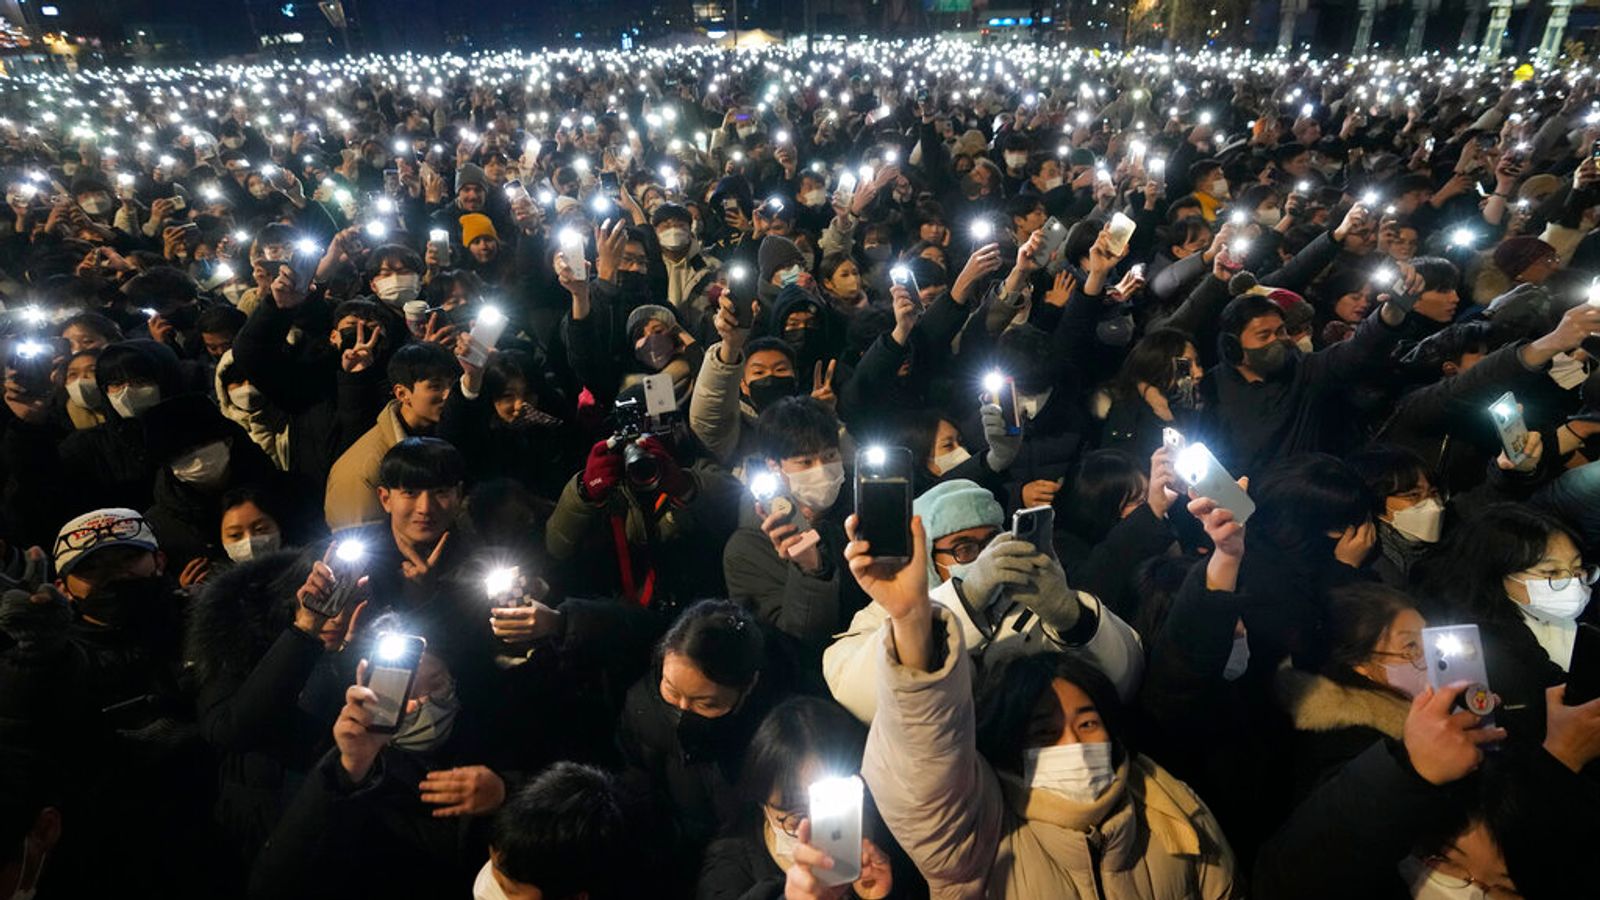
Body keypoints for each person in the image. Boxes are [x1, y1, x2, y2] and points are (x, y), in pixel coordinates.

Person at [843, 510, 1237, 897]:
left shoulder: (1169, 813)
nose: (1074, 746)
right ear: (927, 556)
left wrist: (1068, 614)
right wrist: (924, 617)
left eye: (993, 539)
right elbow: (910, 745)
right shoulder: (976, 841)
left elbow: (1125, 677)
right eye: (964, 548)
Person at [617, 599, 811, 890]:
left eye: (705, 702)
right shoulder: (642, 708)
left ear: (748, 686)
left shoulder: (781, 728)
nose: (683, 708)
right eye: (671, 690)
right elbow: (636, 784)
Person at [698, 695, 907, 900]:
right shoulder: (731, 864)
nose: (815, 826)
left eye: (830, 803)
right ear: (762, 801)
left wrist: (883, 895)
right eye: (796, 816)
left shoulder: (894, 833)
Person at [1414, 503, 1596, 738]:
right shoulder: (1481, 647)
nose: (1573, 583)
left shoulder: (1574, 607)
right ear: (1497, 573)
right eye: (1551, 573)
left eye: (1577, 568)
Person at [1272, 583, 1425, 798]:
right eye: (1411, 645)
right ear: (1360, 663)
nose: (1428, 654)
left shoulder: (1433, 693)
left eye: (1429, 637)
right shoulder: (1347, 741)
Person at [324, 342, 457, 529]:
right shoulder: (365, 467)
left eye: (452, 384)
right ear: (402, 394)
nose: (448, 395)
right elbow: (363, 542)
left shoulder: (451, 436)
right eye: (435, 386)